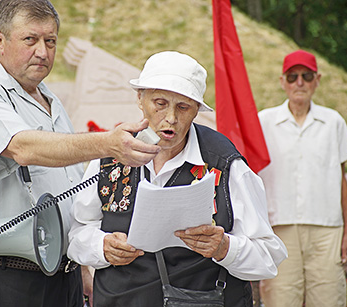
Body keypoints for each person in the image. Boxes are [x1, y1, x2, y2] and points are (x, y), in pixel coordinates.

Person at [0, 0, 161, 306]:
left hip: (65, 273)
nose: (43, 52)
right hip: (9, 276)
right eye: (30, 40)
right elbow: (22, 147)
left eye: (50, 41)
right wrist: (107, 144)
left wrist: (82, 267)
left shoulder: (51, 100)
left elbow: (66, 188)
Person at [67, 51, 288, 306]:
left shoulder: (225, 163)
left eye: (182, 107)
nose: (171, 117)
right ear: (140, 99)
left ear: (196, 111)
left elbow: (269, 257)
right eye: (160, 103)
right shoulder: (110, 155)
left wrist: (225, 248)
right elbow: (77, 235)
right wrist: (102, 246)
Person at [258, 50, 347, 307]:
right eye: (292, 77)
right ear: (282, 81)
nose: (299, 83)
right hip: (278, 229)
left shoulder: (333, 121)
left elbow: (341, 181)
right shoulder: (263, 121)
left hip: (326, 231)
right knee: (279, 300)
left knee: (328, 301)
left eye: (306, 76)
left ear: (317, 80)